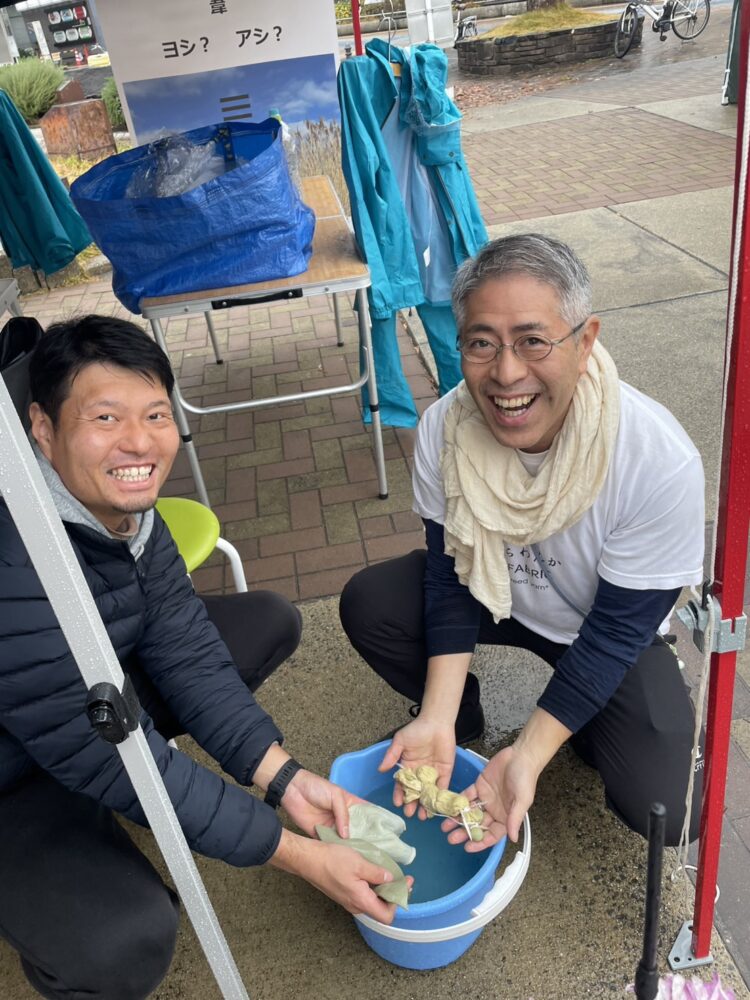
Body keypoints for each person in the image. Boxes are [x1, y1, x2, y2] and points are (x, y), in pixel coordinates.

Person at [0, 315, 400, 1000]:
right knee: (123, 947)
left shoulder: (123, 507)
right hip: (14, 772)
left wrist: (285, 781)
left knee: (262, 623)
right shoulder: (17, 561)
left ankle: (99, 827)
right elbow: (108, 754)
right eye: (105, 417)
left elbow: (184, 648)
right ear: (42, 427)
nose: (139, 442)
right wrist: (297, 854)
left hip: (83, 706)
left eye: (155, 414)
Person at [340, 233, 705, 854]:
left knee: (668, 811)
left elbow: (616, 632)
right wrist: (437, 714)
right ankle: (457, 720)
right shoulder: (446, 429)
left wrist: (528, 754)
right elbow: (450, 576)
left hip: (600, 626)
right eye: (482, 343)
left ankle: (578, 719)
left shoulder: (656, 460)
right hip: (499, 598)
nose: (507, 374)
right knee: (373, 602)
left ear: (585, 342)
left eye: (533, 341)